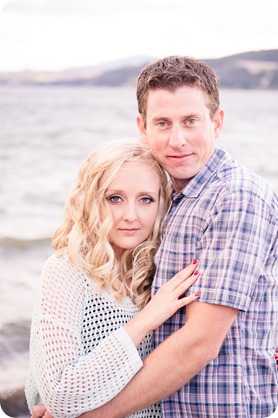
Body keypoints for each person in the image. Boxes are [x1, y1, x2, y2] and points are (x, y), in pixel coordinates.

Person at [32, 56, 278, 418]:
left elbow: (200, 343)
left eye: (190, 121)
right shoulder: (172, 201)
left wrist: (86, 416)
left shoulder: (235, 197)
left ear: (217, 122)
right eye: (162, 123)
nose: (177, 140)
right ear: (142, 128)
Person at [25, 139, 201, 418]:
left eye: (146, 199)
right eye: (114, 198)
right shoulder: (66, 271)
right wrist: (145, 320)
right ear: (91, 199)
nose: (130, 215)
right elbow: (59, 394)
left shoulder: (159, 274)